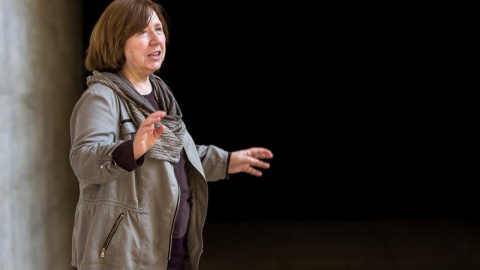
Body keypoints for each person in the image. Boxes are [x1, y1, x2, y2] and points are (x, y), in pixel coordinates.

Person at [69, 0, 273, 269]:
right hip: (125, 253)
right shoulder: (100, 97)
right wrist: (131, 149)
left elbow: (175, 154)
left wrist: (226, 161)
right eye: (142, 32)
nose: (156, 39)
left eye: (158, 29)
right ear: (116, 40)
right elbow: (84, 161)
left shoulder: (160, 94)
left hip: (168, 245)